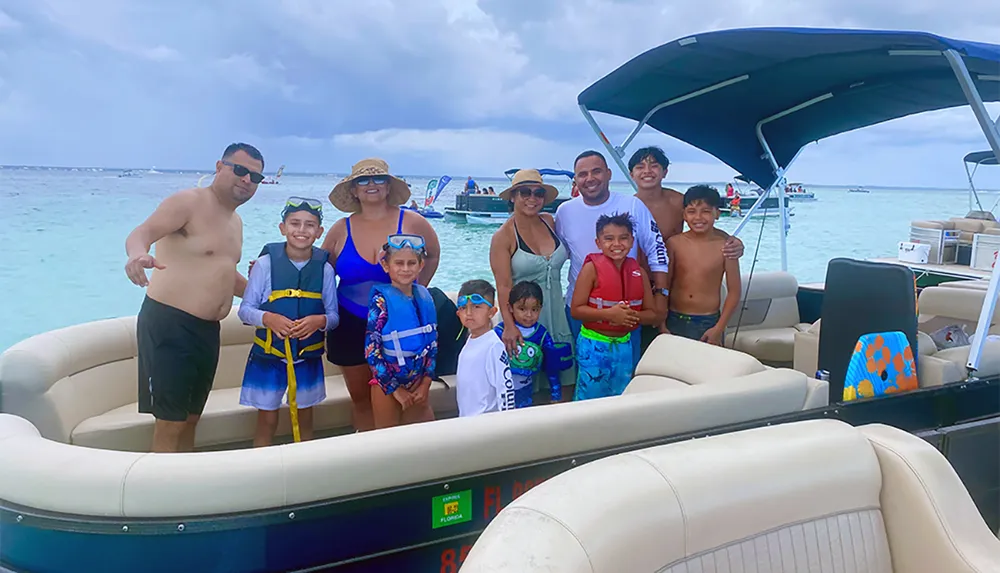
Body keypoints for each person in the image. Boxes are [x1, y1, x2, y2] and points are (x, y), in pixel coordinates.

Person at [124, 142, 264, 453]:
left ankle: (180, 489)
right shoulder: (188, 202)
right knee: (170, 422)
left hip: (206, 331)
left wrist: (271, 297)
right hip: (170, 323)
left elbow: (224, 274)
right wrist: (137, 256)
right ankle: (158, 494)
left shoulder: (234, 221)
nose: (246, 180)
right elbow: (141, 233)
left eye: (255, 177)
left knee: (190, 419)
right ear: (219, 167)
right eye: (240, 170)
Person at [320, 158, 440, 432]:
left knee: (410, 393)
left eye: (378, 179)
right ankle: (369, 457)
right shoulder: (340, 228)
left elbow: (432, 254)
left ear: (388, 187)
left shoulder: (412, 221)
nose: (371, 185)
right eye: (363, 180)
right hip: (349, 323)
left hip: (400, 324)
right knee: (361, 398)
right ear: (354, 190)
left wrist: (414, 293)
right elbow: (319, 269)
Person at [237, 197, 339, 446]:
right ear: (282, 228)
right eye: (295, 223)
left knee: (306, 420)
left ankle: (304, 472)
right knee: (267, 420)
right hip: (268, 358)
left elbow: (334, 317)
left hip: (307, 359)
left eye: (309, 225)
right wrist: (268, 318)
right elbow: (245, 311)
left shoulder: (325, 269)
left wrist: (319, 321)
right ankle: (261, 468)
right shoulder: (264, 265)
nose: (301, 231)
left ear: (319, 232)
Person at [556, 150, 668, 369]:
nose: (590, 179)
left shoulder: (633, 206)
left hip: (628, 314)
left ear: (608, 174)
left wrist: (661, 296)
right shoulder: (564, 211)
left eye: (596, 171)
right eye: (582, 174)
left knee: (625, 375)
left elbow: (657, 251)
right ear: (576, 180)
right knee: (587, 376)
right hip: (581, 312)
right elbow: (557, 255)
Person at [489, 169, 573, 396]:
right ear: (513, 196)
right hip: (523, 322)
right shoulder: (503, 236)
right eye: (525, 192)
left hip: (556, 315)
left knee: (564, 385)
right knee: (527, 388)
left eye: (538, 193)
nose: (532, 198)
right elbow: (503, 285)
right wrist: (509, 325)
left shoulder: (549, 221)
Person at [570, 213, 657, 400]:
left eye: (623, 238)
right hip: (594, 345)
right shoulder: (591, 269)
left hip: (624, 345)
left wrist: (627, 317)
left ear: (632, 241)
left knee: (620, 396)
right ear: (598, 243)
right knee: (589, 396)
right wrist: (610, 315)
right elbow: (576, 310)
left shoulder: (638, 273)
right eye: (609, 239)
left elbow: (652, 314)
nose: (617, 244)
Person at [366, 234, 438, 428]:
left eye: (411, 263)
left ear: (420, 265)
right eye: (399, 263)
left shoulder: (424, 298)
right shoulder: (380, 303)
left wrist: (426, 383)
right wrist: (395, 390)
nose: (406, 269)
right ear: (386, 265)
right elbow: (372, 352)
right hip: (387, 387)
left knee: (426, 438)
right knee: (389, 444)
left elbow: (432, 345)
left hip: (418, 384)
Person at [666, 186, 742, 345]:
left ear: (718, 214)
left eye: (706, 211)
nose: (698, 217)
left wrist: (719, 328)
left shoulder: (726, 246)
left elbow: (734, 292)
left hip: (708, 321)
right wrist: (661, 324)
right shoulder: (674, 243)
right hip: (673, 318)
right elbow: (664, 286)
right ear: (684, 215)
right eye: (692, 211)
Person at [492, 281, 566, 408]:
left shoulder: (541, 335)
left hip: (525, 391)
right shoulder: (501, 332)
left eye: (534, 309)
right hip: (499, 390)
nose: (529, 315)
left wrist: (556, 393)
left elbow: (552, 367)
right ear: (510, 307)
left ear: (541, 309)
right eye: (522, 309)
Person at [455, 280, 516, 416]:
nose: (469, 313)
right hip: (467, 423)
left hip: (486, 425)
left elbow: (505, 390)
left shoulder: (494, 346)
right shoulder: (469, 343)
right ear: (458, 313)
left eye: (476, 307)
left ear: (492, 312)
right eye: (464, 308)